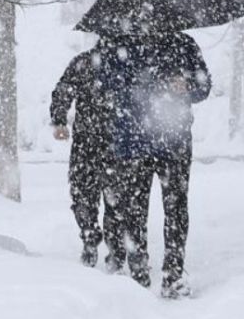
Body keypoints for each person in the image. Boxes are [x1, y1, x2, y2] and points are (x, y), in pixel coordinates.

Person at [98, 32, 210, 299]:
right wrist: (143, 87)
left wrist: (188, 86)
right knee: (135, 210)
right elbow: (106, 85)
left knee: (176, 208)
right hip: (135, 143)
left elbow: (204, 86)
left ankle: (173, 275)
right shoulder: (120, 45)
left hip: (175, 142)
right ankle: (138, 275)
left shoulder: (184, 44)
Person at [50, 46, 123, 271]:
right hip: (112, 142)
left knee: (87, 195)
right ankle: (110, 247)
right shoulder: (124, 62)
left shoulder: (85, 62)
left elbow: (63, 90)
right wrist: (59, 119)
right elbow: (64, 90)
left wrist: (60, 118)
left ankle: (95, 240)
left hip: (92, 142)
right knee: (112, 199)